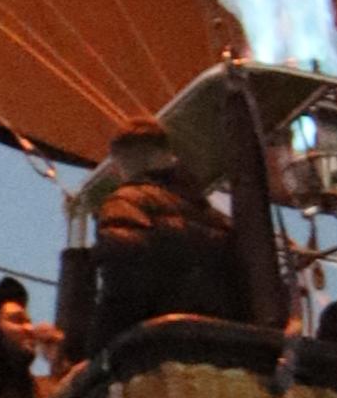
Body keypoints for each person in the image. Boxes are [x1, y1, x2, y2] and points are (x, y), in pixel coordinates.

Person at [79, 132, 252, 341]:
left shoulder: (126, 202)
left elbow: (122, 284)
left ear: (119, 164)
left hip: (158, 349)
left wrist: (98, 351)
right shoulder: (218, 220)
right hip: (219, 348)